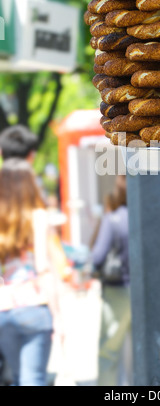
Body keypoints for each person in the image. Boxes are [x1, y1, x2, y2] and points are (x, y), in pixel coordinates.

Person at [0, 158, 62, 386]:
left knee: (17, 378)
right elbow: (44, 268)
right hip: (34, 308)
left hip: (4, 311)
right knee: (32, 379)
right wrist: (58, 317)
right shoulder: (38, 217)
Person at [91, 177, 132, 386]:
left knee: (109, 351)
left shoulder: (113, 219)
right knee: (140, 351)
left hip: (118, 291)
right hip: (147, 291)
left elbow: (97, 257)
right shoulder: (150, 217)